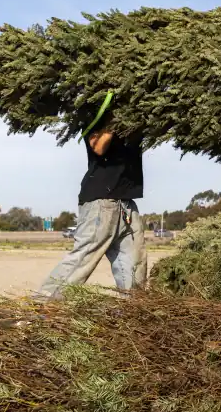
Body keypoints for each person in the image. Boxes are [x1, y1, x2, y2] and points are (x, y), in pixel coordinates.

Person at [38, 124, 147, 299]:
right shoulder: (97, 114)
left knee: (136, 264)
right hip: (102, 201)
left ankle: (134, 310)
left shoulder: (135, 117)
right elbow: (98, 147)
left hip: (126, 203)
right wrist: (115, 119)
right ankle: (41, 305)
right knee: (83, 259)